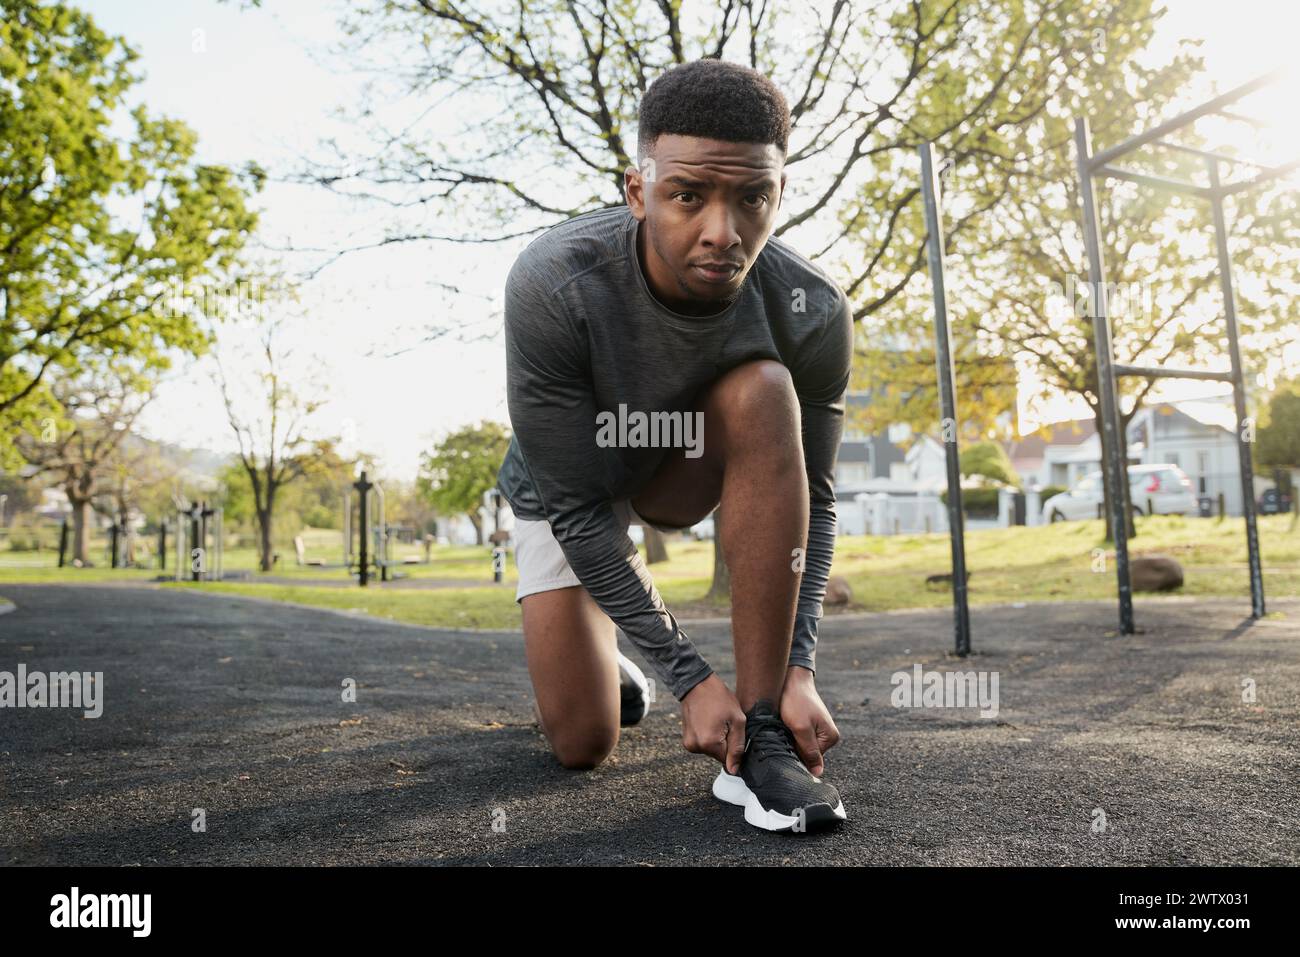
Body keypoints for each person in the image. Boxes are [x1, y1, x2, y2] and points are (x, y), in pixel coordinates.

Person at [497, 57, 853, 833]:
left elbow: (816, 501)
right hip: (574, 485)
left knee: (763, 388)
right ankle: (616, 668)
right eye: (687, 195)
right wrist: (688, 677)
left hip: (687, 464)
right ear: (638, 192)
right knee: (583, 743)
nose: (722, 232)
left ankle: (763, 740)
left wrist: (798, 669)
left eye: (752, 197)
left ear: (779, 193)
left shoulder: (813, 311)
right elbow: (579, 509)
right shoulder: (552, 284)